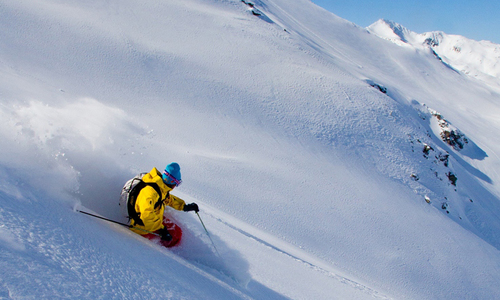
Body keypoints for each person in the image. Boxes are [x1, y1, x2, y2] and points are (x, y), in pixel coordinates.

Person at [130, 162, 198, 246]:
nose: (175, 186)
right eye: (176, 183)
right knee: (174, 237)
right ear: (171, 181)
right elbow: (146, 215)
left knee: (177, 232)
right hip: (141, 226)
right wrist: (161, 230)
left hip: (153, 219)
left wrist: (184, 206)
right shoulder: (150, 193)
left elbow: (167, 199)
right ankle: (162, 252)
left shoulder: (160, 187)